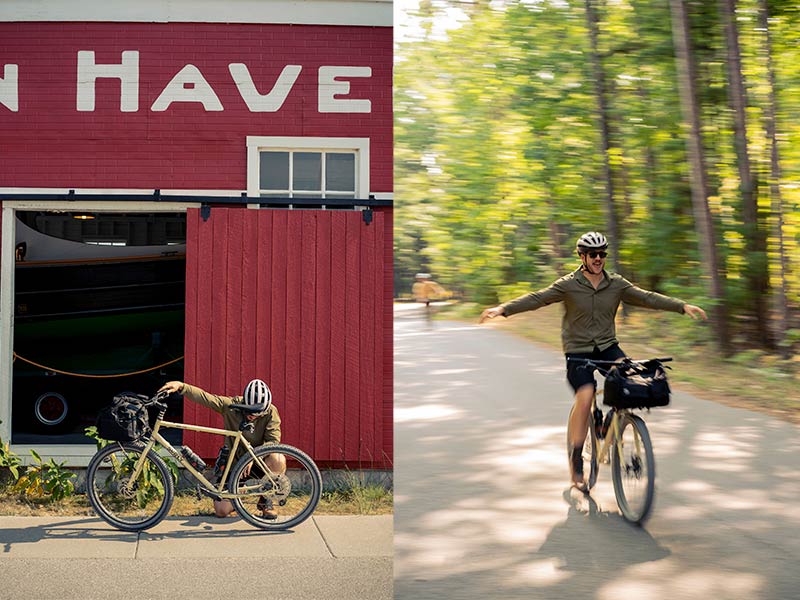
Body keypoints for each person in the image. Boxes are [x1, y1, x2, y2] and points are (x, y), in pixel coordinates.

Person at [479, 231, 707, 491]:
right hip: (577, 350)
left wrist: (681, 306)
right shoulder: (568, 284)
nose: (598, 259)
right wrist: (503, 309)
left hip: (608, 347)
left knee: (630, 380)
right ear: (583, 257)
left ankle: (612, 422)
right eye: (593, 254)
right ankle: (576, 459)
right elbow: (537, 298)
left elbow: (647, 297)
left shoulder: (617, 284)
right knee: (586, 395)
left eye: (602, 254)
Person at [157, 378, 286, 519]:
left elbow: (273, 442)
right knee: (221, 511)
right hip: (235, 464)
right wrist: (182, 387)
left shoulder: (271, 412)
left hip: (258, 462)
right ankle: (239, 496)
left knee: (277, 458)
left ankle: (266, 500)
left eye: (259, 412)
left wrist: (253, 457)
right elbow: (207, 398)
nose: (254, 415)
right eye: (251, 412)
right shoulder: (232, 405)